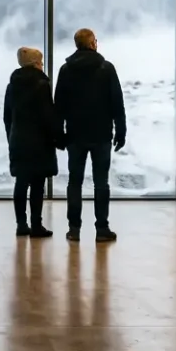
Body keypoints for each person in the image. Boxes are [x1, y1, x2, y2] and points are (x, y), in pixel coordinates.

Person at [53, 28, 125, 242]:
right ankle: (102, 228)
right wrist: (120, 130)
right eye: (95, 40)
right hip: (102, 134)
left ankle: (74, 229)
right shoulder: (106, 68)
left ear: (77, 45)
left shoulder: (66, 70)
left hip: (75, 134)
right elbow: (116, 103)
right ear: (93, 43)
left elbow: (59, 106)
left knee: (74, 182)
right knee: (101, 183)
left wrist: (59, 134)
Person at [4, 46, 58, 238]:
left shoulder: (12, 86)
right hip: (39, 141)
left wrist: (11, 136)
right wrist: (57, 137)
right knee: (37, 184)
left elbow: (7, 117)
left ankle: (21, 224)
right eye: (41, 62)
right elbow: (47, 115)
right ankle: (36, 225)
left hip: (18, 139)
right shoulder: (41, 85)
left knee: (21, 182)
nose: (42, 66)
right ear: (35, 64)